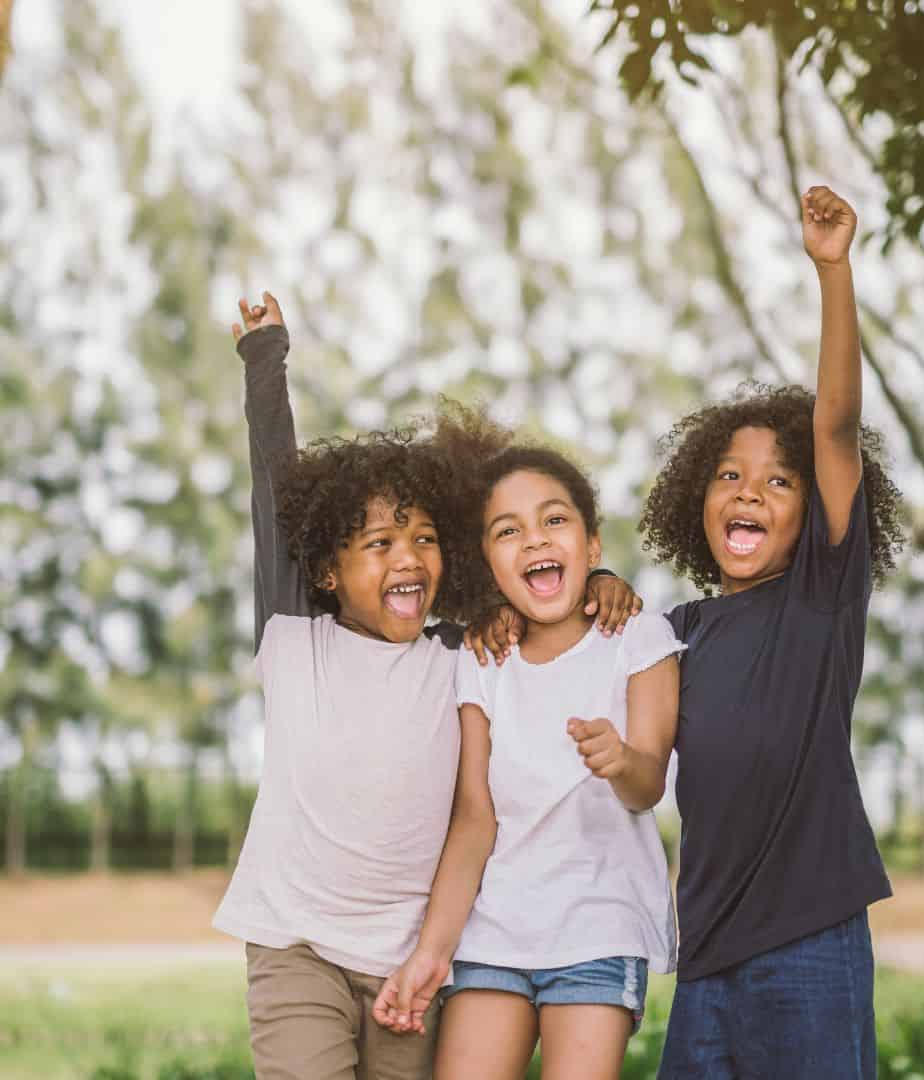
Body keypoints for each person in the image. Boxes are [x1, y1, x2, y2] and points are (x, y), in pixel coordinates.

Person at [213, 294, 642, 1080]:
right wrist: (264, 358)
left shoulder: (463, 650)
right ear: (326, 570)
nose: (408, 556)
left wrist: (600, 581)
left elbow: (537, 581)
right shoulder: (293, 635)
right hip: (296, 943)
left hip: (413, 959)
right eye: (379, 543)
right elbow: (274, 493)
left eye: (425, 539)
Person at [640, 187, 905, 1080]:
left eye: (778, 482)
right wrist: (598, 585)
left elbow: (833, 423)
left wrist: (833, 273)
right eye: (728, 474)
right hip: (705, 958)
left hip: (810, 948)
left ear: (810, 513)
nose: (749, 491)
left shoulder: (820, 601)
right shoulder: (672, 634)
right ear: (695, 500)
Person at [371, 444, 684, 1080]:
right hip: (494, 933)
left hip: (600, 929)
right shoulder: (481, 661)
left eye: (554, 520)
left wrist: (620, 760)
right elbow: (474, 820)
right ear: (487, 563)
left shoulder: (638, 638)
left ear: (593, 547)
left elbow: (647, 784)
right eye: (507, 531)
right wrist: (431, 955)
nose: (533, 539)